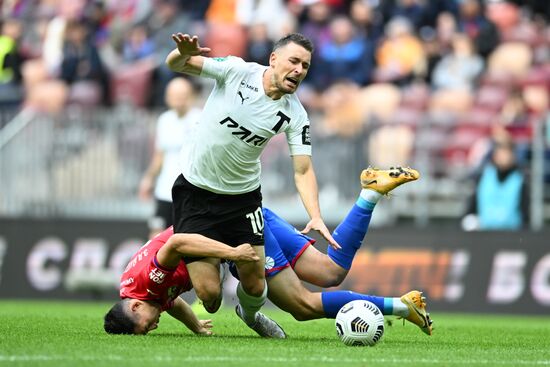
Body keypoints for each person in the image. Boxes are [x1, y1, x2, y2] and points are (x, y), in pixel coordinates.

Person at [104, 166, 433, 337]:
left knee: (302, 305)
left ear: (134, 307)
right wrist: (195, 326)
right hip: (251, 212)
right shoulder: (143, 292)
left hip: (230, 231)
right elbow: (169, 299)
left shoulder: (146, 278)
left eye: (145, 325)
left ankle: (403, 307)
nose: (153, 326)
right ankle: (370, 194)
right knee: (329, 271)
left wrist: (232, 253)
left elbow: (178, 241)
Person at [165, 32, 338, 337]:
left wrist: (315, 214)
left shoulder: (295, 114)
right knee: (209, 297)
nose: (299, 70)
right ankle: (213, 258)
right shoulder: (236, 71)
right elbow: (179, 65)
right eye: (294, 61)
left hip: (242, 200)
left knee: (256, 285)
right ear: (273, 59)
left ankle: (250, 313)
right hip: (195, 191)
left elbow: (303, 169)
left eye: (306, 66)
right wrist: (181, 53)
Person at [138, 77, 201, 238]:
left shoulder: (200, 119)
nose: (179, 99)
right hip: (164, 191)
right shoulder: (164, 120)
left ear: (190, 96)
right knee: (156, 237)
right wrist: (148, 179)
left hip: (191, 192)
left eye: (182, 95)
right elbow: (160, 155)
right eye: (174, 95)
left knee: (188, 238)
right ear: (167, 97)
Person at [462, 139, 529, 231]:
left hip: (512, 234)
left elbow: (525, 211)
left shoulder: (520, 179)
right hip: (485, 232)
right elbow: (472, 205)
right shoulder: (483, 177)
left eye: (507, 153)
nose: (504, 157)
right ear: (495, 156)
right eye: (501, 153)